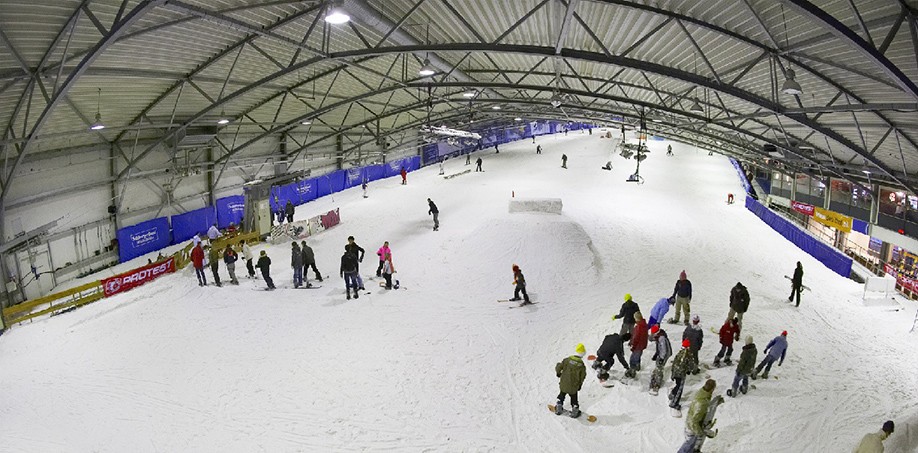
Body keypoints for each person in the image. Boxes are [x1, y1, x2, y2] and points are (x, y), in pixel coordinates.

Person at [678, 379, 717, 453]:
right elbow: (694, 421)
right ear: (712, 389)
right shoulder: (702, 403)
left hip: (690, 425)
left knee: (690, 446)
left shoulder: (702, 393)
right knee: (687, 447)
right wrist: (699, 433)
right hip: (692, 428)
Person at [554, 343, 587, 418]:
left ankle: (559, 405)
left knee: (562, 394)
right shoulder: (582, 366)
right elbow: (582, 377)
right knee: (574, 397)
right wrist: (579, 385)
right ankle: (575, 408)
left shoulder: (567, 360)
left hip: (564, 383)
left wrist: (558, 373)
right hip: (574, 386)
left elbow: (559, 367)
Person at [669, 339, 695, 410]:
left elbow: (674, 362)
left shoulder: (679, 352)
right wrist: (690, 370)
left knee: (677, 385)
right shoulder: (688, 354)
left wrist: (672, 373)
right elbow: (691, 364)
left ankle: (672, 393)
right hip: (681, 374)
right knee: (680, 388)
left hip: (675, 372)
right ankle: (674, 403)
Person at [649, 325, 672, 395]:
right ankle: (656, 376)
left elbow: (664, 350)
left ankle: (657, 383)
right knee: (658, 365)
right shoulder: (658, 335)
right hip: (660, 353)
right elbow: (652, 339)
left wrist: (661, 358)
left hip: (665, 354)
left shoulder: (661, 338)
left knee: (660, 367)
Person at [626, 311, 648, 377]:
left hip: (638, 346)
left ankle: (632, 372)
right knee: (638, 357)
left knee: (632, 359)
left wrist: (633, 346)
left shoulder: (639, 327)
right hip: (642, 345)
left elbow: (636, 338)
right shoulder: (644, 324)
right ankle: (637, 367)